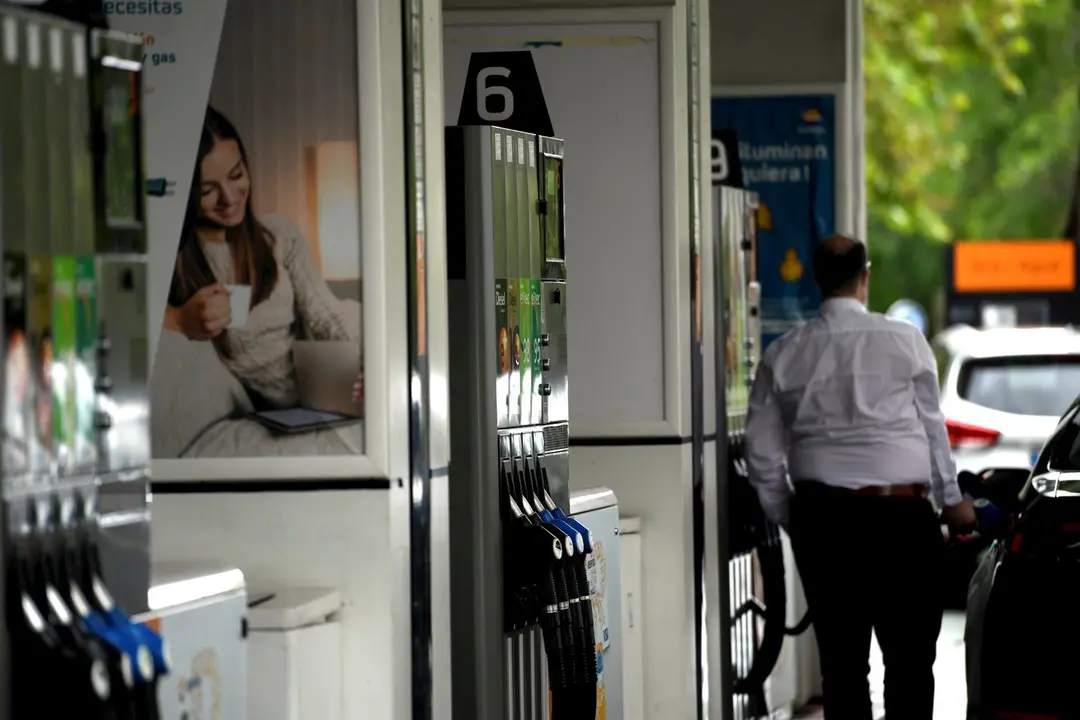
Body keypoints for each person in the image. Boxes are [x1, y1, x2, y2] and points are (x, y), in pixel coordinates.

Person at [744, 234, 977, 720]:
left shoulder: (782, 355)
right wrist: (953, 502)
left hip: (822, 520)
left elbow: (762, 457)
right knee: (911, 663)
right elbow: (933, 431)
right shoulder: (905, 340)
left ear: (815, 280)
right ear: (865, 277)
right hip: (902, 519)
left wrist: (795, 517)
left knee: (843, 666)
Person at [163, 106, 363, 409]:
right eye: (207, 190)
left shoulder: (279, 234)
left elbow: (325, 312)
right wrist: (179, 319)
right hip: (266, 409)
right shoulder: (174, 261)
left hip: (323, 388)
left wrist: (363, 357)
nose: (229, 199)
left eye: (237, 175)